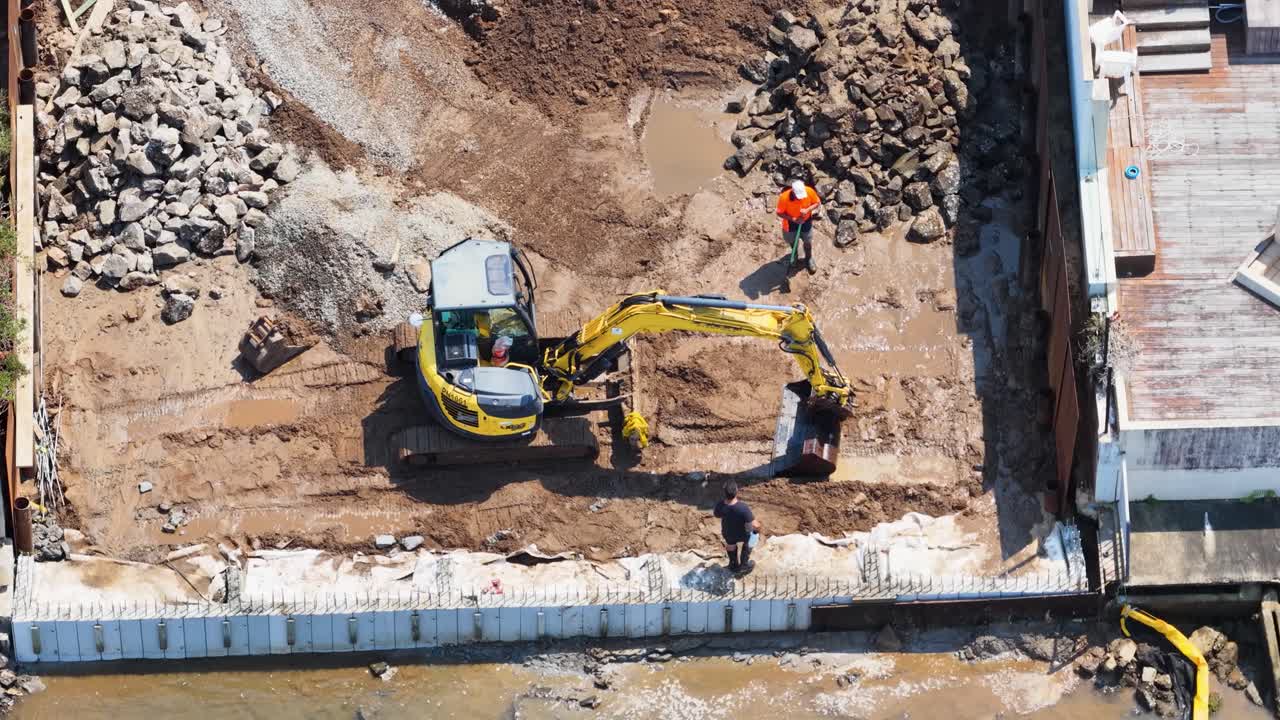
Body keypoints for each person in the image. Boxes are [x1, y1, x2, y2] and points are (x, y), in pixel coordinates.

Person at [713, 481, 761, 574]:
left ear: (724, 493)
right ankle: (744, 565)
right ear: (737, 491)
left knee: (731, 544)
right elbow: (755, 525)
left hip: (728, 533)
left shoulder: (720, 505)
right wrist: (758, 530)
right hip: (743, 534)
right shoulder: (742, 508)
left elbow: (717, 515)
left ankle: (733, 565)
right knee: (753, 536)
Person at [776, 180, 822, 274]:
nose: (801, 198)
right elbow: (779, 213)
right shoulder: (784, 197)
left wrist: (807, 210)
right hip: (790, 224)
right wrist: (793, 219)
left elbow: (817, 203)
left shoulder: (809, 191)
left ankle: (808, 258)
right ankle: (794, 256)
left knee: (808, 241)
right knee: (793, 242)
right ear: (793, 191)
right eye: (798, 195)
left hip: (806, 222)